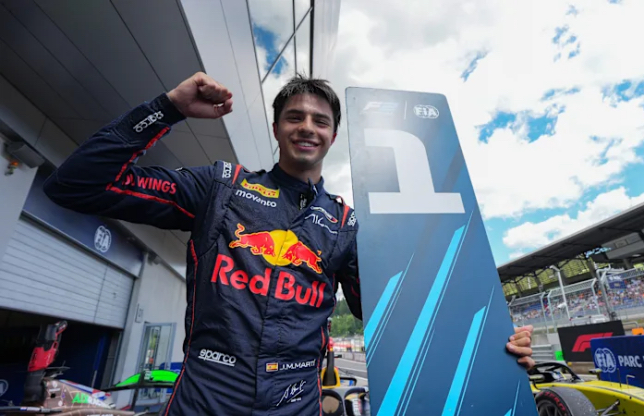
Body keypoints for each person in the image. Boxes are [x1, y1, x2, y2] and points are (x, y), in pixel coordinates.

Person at [43, 72, 535, 415]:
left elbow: (400, 316)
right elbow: (76, 185)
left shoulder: (346, 224)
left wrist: (495, 344)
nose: (307, 128)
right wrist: (166, 108)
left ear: (334, 136)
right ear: (277, 128)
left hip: (295, 402)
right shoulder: (220, 187)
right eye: (295, 117)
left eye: (320, 121)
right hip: (206, 396)